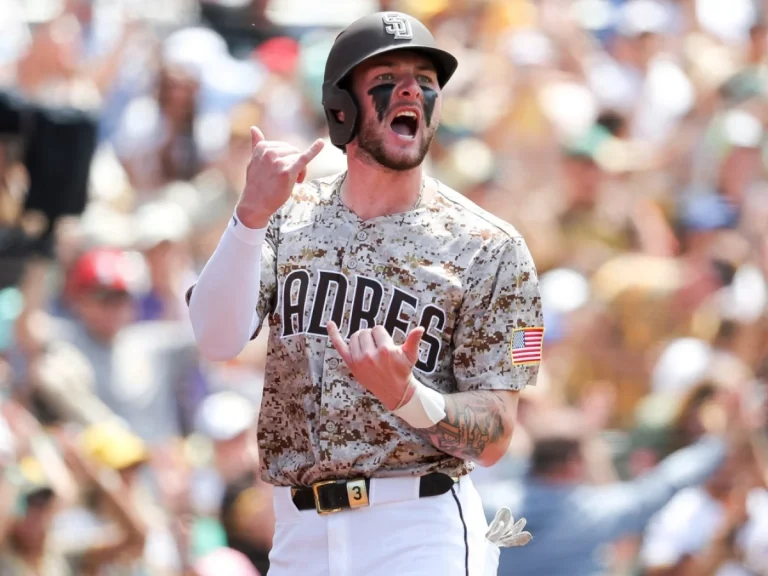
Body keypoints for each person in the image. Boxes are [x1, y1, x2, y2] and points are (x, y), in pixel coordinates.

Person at [187, 10, 541, 576]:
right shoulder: (285, 216)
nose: (412, 90)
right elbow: (215, 339)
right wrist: (249, 216)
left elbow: (496, 433)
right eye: (387, 78)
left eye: (425, 80)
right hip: (299, 533)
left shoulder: (491, 247)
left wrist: (408, 397)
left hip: (420, 527)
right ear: (341, 108)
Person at [479, 396, 745, 576]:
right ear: (573, 462)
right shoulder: (591, 513)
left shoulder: (485, 505)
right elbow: (664, 484)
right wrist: (719, 444)